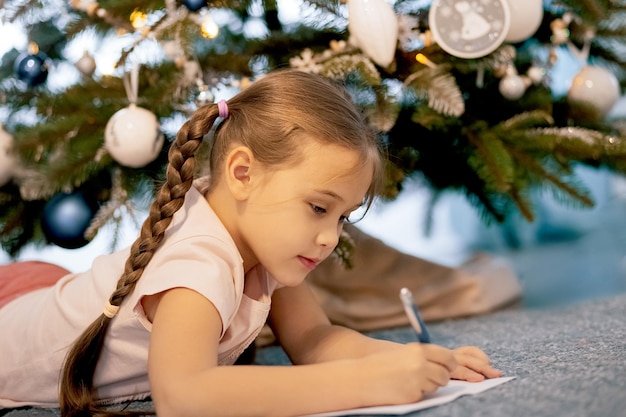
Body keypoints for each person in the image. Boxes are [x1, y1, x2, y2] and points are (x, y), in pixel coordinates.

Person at [0, 69, 502, 417]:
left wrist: (407, 362)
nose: (330, 237)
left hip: (46, 299)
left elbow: (313, 339)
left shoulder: (263, 243)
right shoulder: (199, 267)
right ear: (242, 173)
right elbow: (185, 398)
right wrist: (367, 383)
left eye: (343, 216)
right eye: (318, 207)